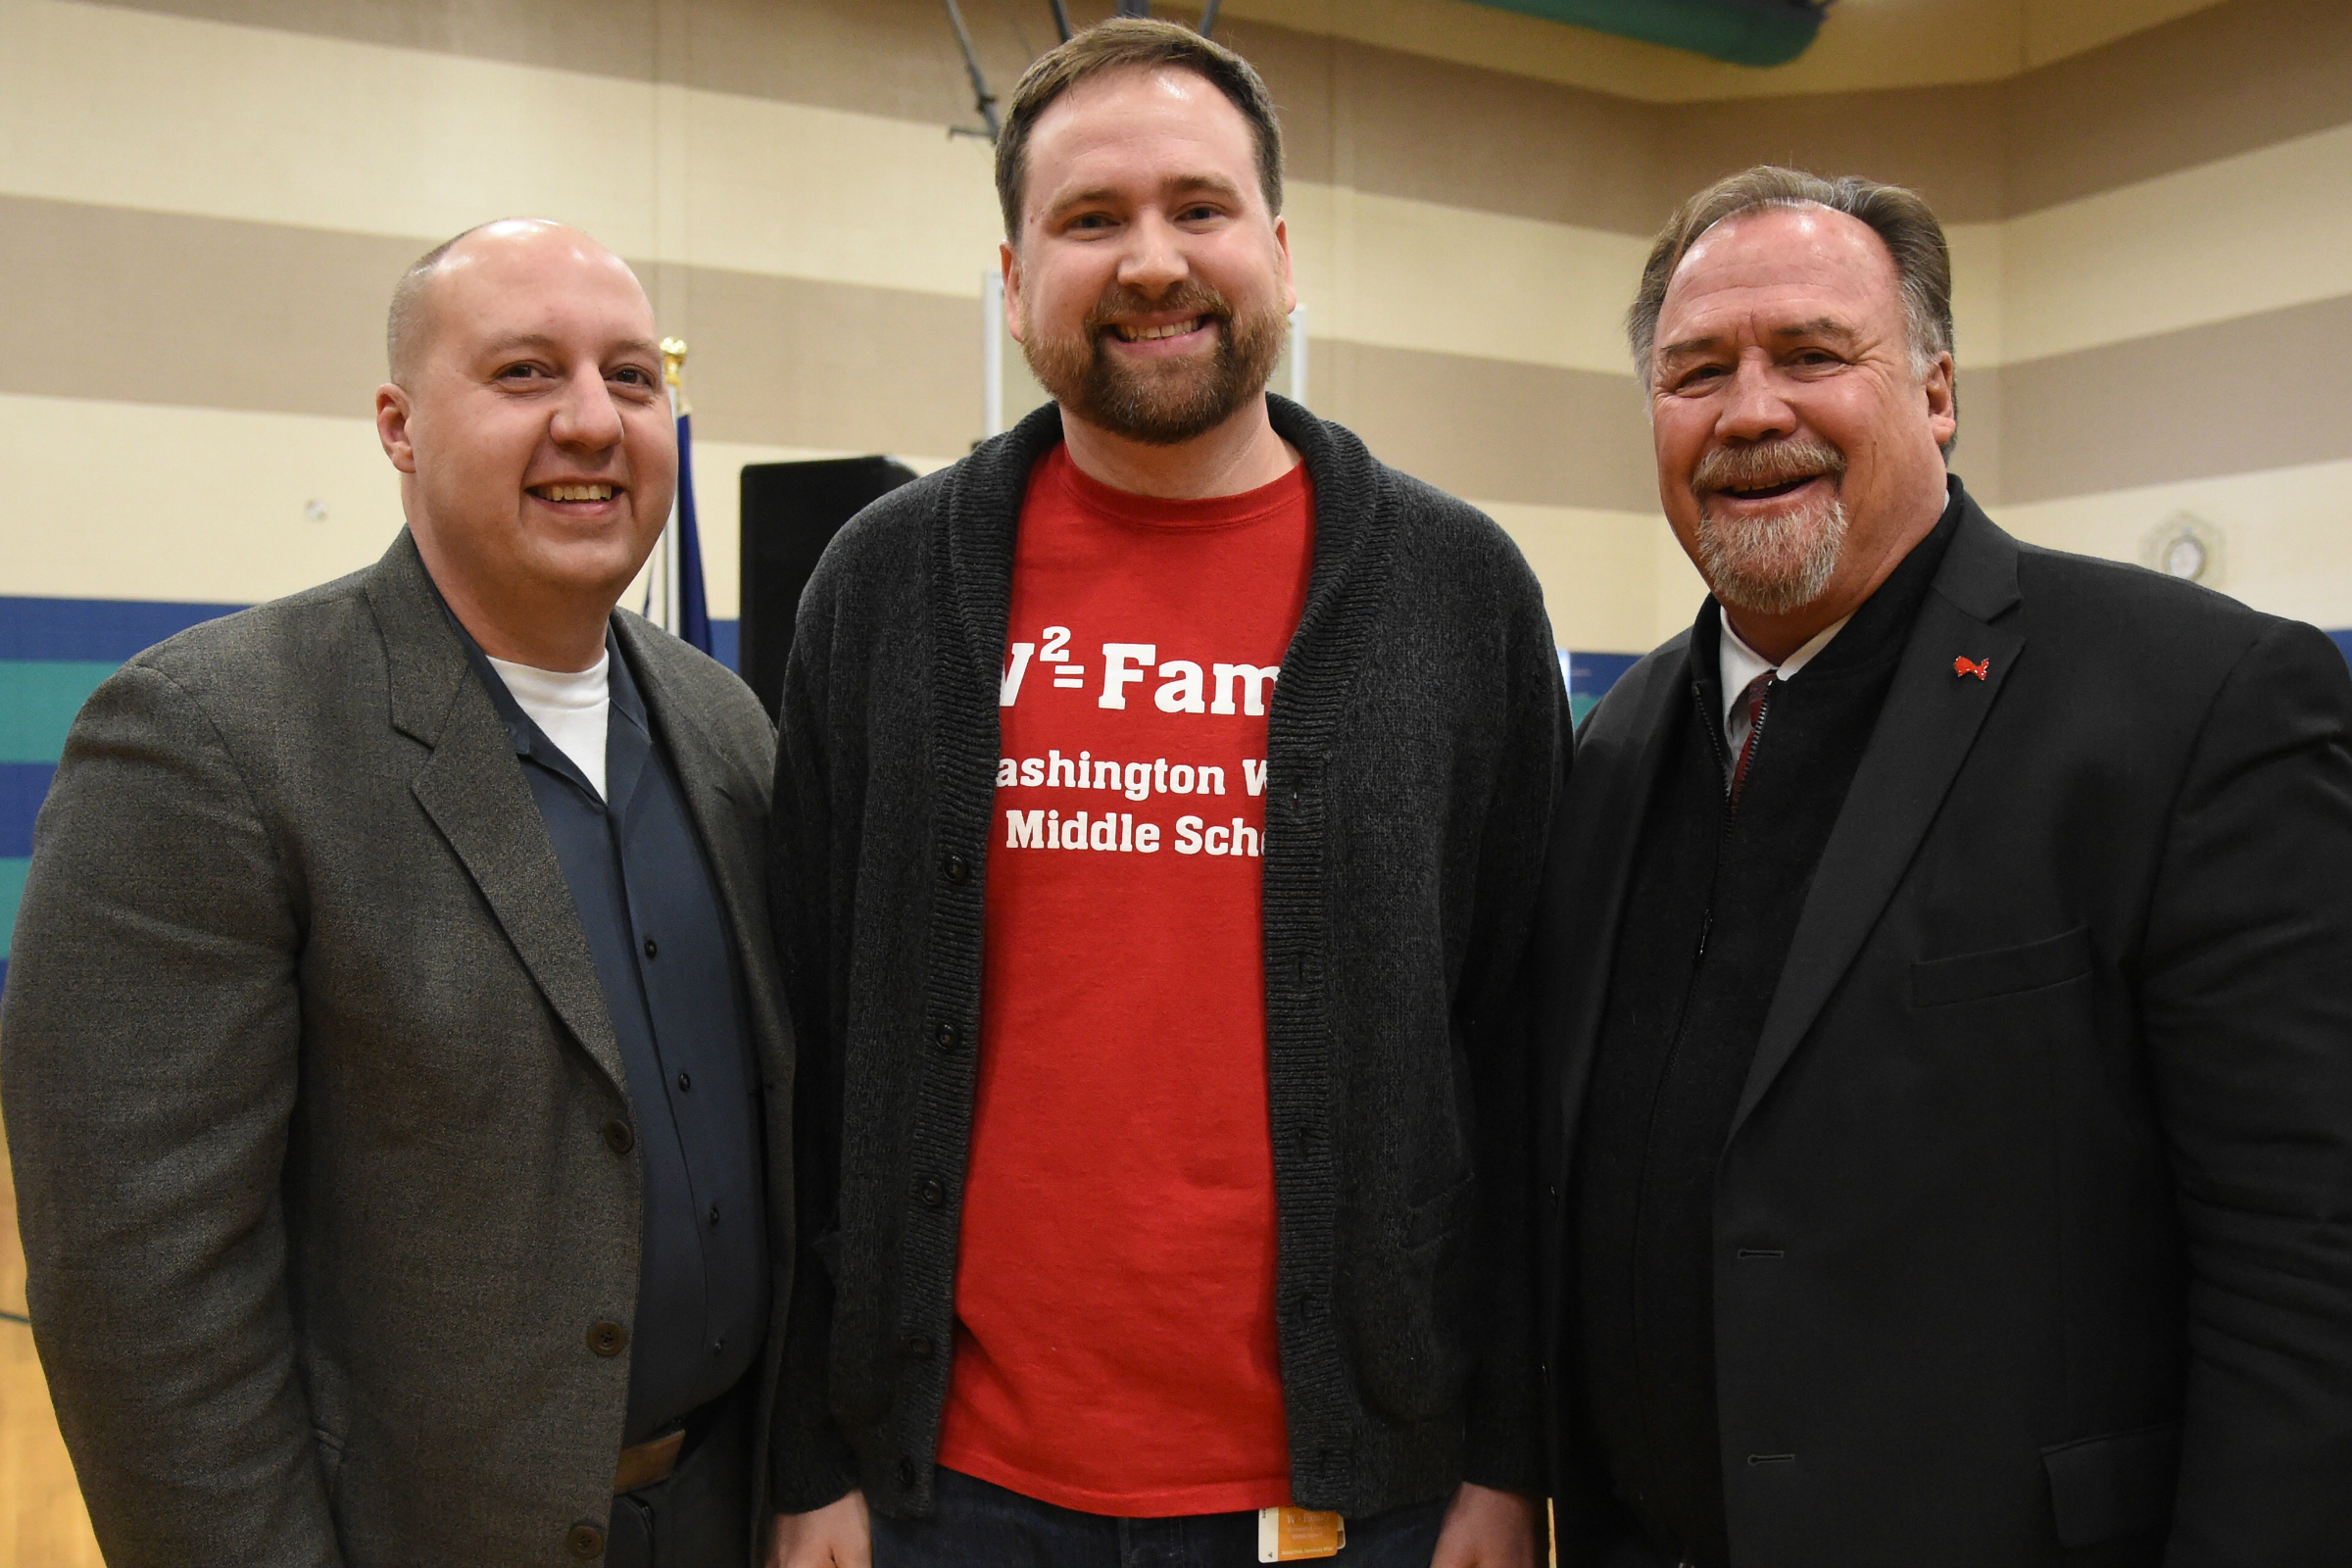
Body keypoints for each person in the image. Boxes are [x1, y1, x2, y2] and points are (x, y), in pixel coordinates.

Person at [766, 20, 1562, 1568]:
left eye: (1199, 207)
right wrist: (809, 1458)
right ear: (1014, 281)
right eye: (1090, 218)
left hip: (1361, 1495)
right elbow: (808, 1048)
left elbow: (1522, 1047)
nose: (1151, 262)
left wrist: (1509, 1460)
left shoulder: (1454, 593)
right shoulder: (882, 588)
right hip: (949, 1495)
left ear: (1281, 251)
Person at [1530, 165, 2352, 1567]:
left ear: (1937, 392)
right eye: (1697, 371)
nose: (1750, 411)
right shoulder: (1614, 747)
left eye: (1811, 354)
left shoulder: (2194, 706)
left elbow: (2306, 1260)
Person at [1, 219, 792, 1568]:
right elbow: (145, 1296)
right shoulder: (210, 741)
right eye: (525, 373)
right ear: (399, 426)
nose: (592, 421)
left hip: (731, 1513)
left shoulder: (727, 725)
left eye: (630, 377)